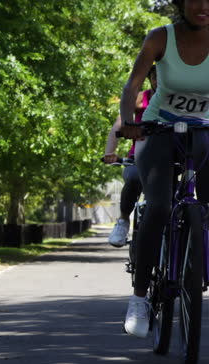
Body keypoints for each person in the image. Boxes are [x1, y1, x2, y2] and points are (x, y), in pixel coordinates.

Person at [120, 0, 209, 338]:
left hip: (203, 129)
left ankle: (197, 258)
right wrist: (130, 122)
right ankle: (140, 298)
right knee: (157, 206)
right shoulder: (160, 38)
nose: (203, 6)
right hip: (158, 128)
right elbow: (132, 86)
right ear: (181, 5)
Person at [104, 66, 157, 247]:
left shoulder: (179, 100)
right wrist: (110, 152)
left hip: (171, 157)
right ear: (150, 78)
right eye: (155, 77)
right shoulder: (141, 98)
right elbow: (118, 126)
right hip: (139, 157)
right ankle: (123, 221)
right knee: (134, 178)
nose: (159, 81)